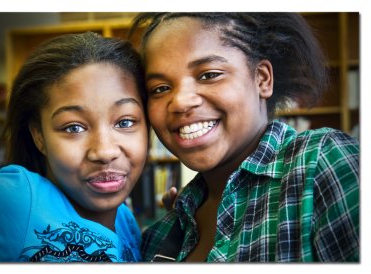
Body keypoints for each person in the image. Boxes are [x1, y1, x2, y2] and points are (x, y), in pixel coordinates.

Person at [129, 12, 360, 262]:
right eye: (160, 89)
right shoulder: (159, 235)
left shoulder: (321, 163)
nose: (181, 102)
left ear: (262, 78)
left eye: (209, 75)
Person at [0, 32, 149, 262]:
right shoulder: (16, 198)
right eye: (73, 128)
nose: (104, 152)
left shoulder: (125, 219)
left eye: (125, 122)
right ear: (39, 135)